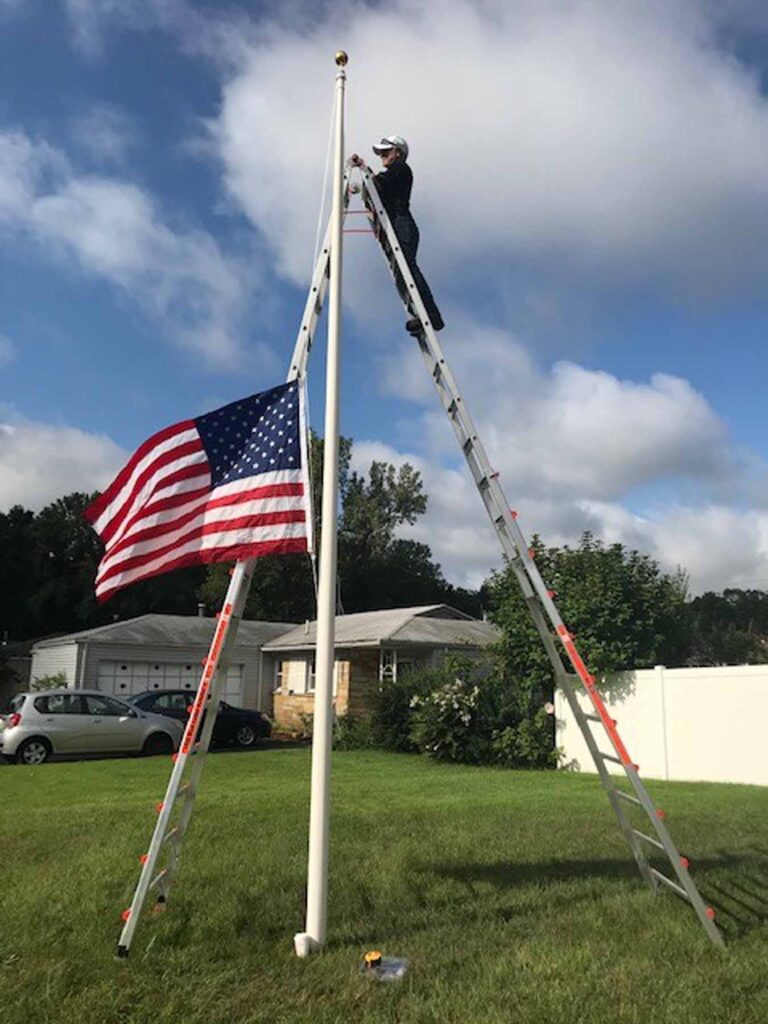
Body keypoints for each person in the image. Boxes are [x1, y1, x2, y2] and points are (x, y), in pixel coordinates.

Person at [350, 135, 444, 335]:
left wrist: (365, 171)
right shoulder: (392, 174)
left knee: (407, 268)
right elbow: (377, 191)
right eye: (381, 152)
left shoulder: (401, 169)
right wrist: (361, 181)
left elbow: (379, 185)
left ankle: (431, 317)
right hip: (396, 225)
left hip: (402, 224)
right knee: (401, 273)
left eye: (386, 151)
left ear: (398, 153)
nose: (382, 155)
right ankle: (421, 315)